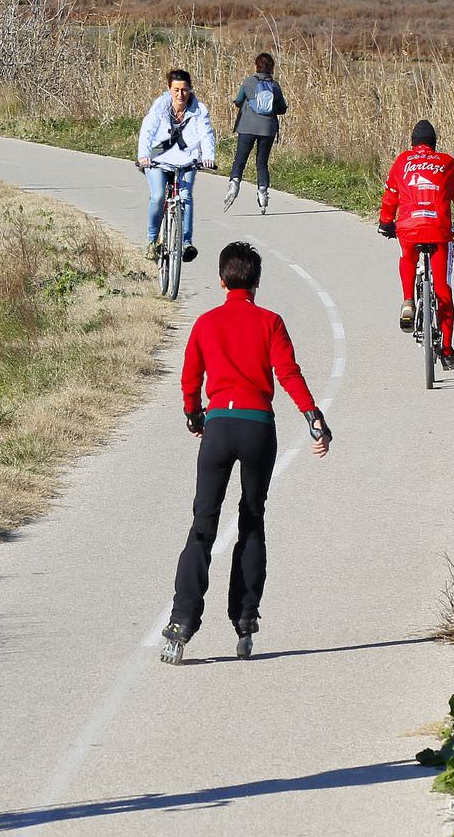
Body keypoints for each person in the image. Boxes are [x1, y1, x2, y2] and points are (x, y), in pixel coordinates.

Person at [162, 242, 331, 665]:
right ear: (257, 281)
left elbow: (190, 378)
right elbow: (288, 372)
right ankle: (245, 619)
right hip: (258, 428)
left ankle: (182, 623)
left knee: (203, 524)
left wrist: (194, 417)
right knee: (252, 519)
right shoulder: (270, 322)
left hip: (219, 427)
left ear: (221, 280)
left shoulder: (205, 322)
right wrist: (313, 417)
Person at [377, 120, 454, 371]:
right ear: (434, 144)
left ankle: (408, 300)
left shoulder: (402, 162)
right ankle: (447, 348)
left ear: (412, 143)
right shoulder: (447, 162)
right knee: (443, 289)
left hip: (408, 227)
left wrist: (386, 223)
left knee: (407, 257)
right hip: (439, 229)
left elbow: (391, 195)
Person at [136, 68, 218, 263]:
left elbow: (206, 134)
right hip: (158, 158)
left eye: (184, 90)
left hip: (186, 159)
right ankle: (151, 240)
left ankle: (186, 242)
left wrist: (208, 156)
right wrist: (144, 155)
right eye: (176, 90)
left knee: (185, 196)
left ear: (190, 89)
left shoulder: (198, 110)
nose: (180, 94)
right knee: (157, 197)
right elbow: (147, 130)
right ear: (169, 89)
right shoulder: (160, 107)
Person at [225, 52, 287, 214]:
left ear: (256, 66)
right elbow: (282, 109)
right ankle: (263, 195)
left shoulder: (248, 82)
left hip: (247, 127)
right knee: (262, 162)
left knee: (240, 159)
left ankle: (234, 186)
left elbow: (238, 102)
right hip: (268, 129)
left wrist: (247, 102)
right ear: (271, 68)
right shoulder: (275, 86)